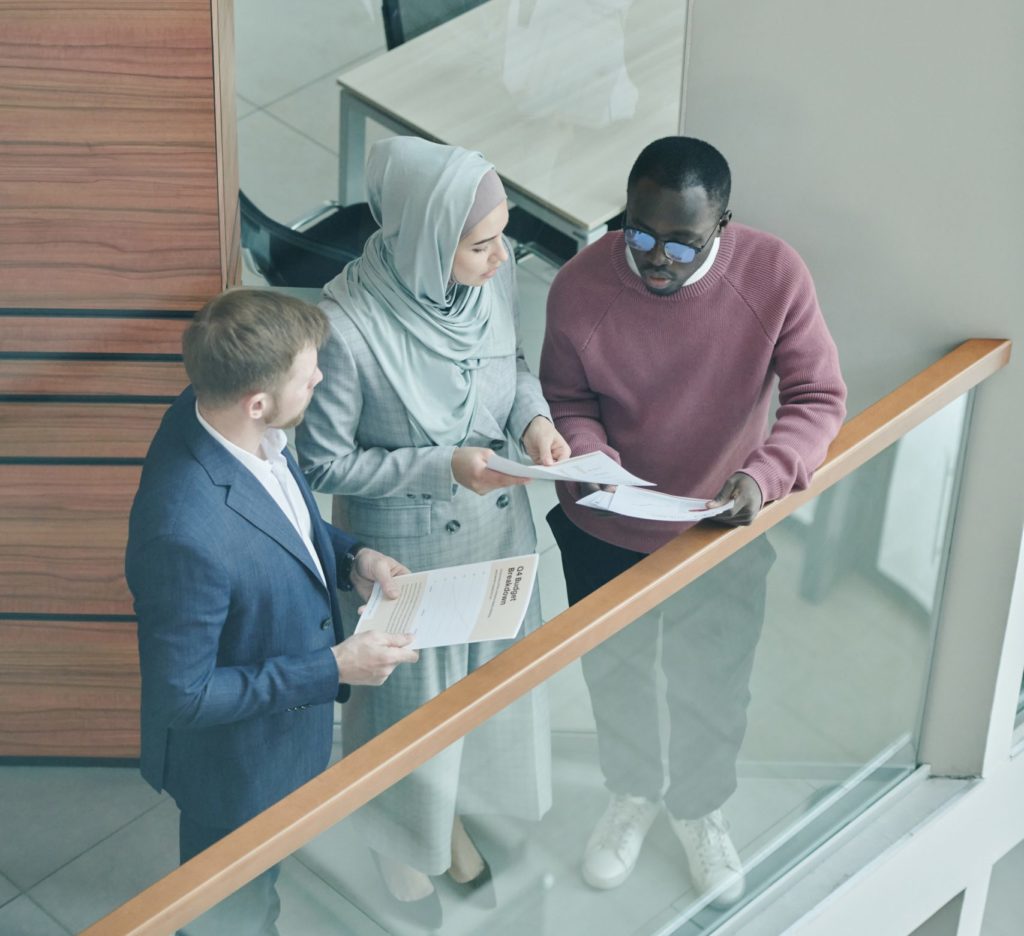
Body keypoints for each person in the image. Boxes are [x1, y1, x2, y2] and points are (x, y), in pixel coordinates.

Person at [540, 136, 846, 906]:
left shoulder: (773, 275)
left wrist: (764, 475)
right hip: (605, 526)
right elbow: (567, 401)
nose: (656, 258)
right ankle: (631, 795)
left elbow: (818, 397)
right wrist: (591, 457)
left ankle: (700, 809)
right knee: (616, 677)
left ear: (724, 226)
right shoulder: (580, 287)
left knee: (714, 687)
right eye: (639, 233)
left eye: (682, 241)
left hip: (721, 528)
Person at [296, 136, 568, 919]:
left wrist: (537, 421)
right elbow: (323, 467)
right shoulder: (344, 327)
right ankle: (401, 843)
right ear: (423, 237)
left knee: (489, 692)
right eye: (480, 244)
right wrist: (441, 466)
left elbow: (511, 366)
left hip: (499, 535)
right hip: (408, 559)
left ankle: (450, 818)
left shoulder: (492, 281)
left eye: (501, 238)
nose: (499, 258)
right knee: (410, 713)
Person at [125, 288, 419, 936]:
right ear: (256, 402)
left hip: (276, 747)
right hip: (234, 769)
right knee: (231, 912)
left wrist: (351, 558)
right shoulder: (182, 532)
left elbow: (283, 521)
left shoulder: (221, 413)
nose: (319, 375)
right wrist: (334, 665)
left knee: (261, 890)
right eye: (306, 373)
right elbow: (185, 695)